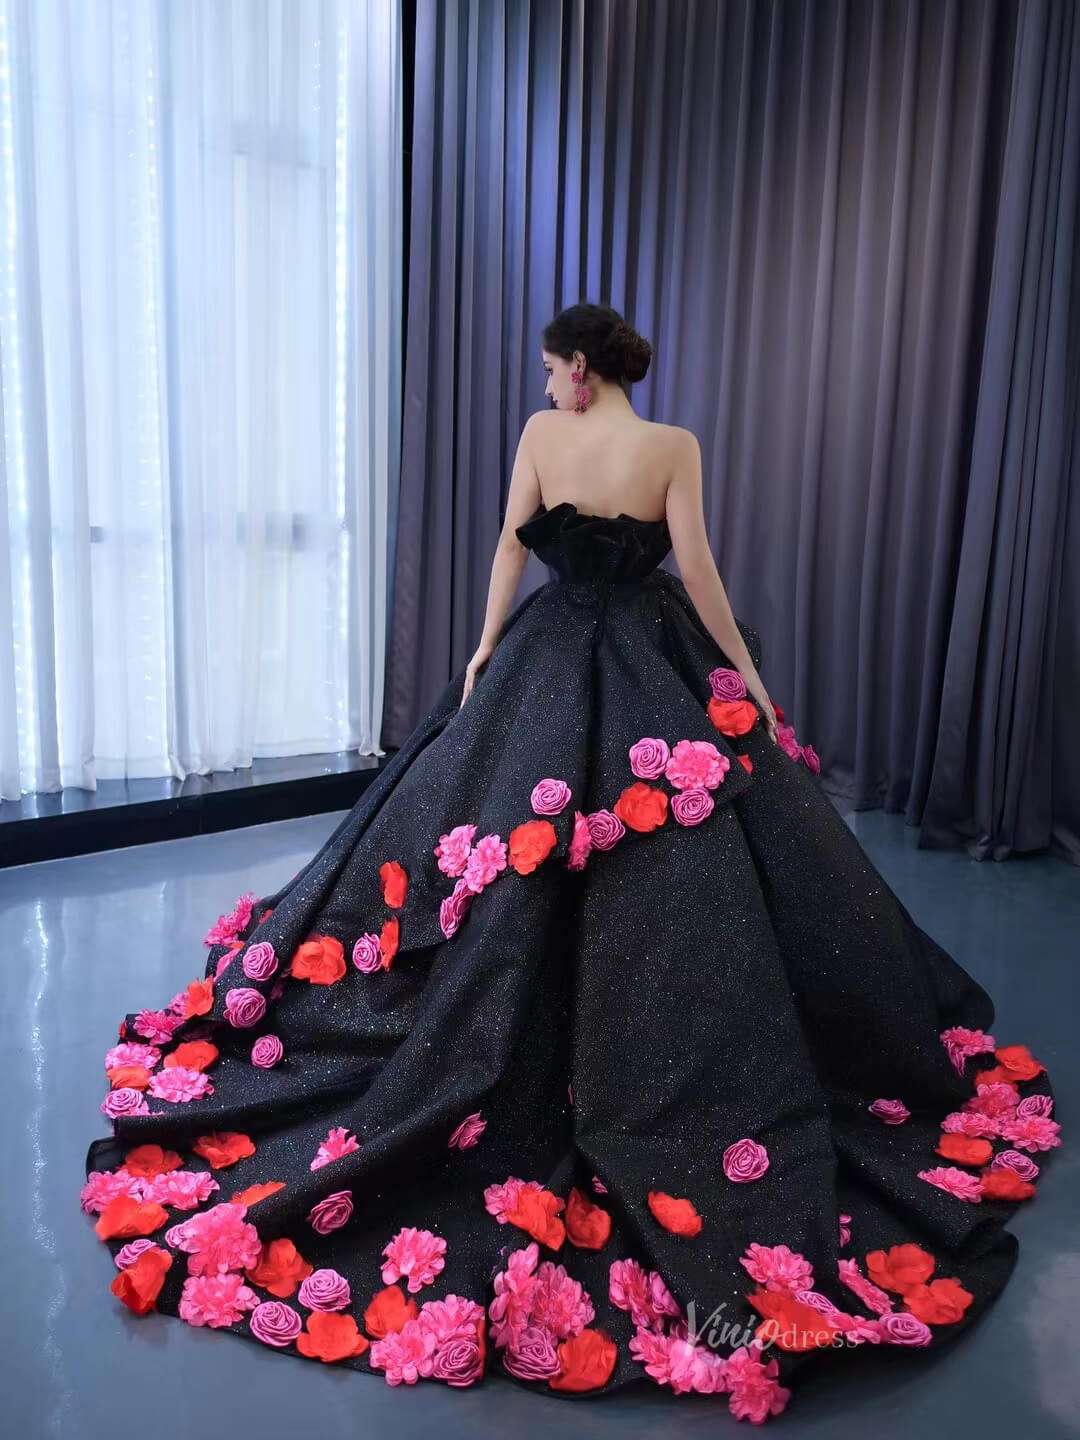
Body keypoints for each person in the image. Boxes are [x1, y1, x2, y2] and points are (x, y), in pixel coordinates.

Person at [83, 303, 1060, 1423]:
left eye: (553, 369)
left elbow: (514, 545)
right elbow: (700, 573)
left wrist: (484, 648)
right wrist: (745, 678)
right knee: (671, 843)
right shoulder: (673, 446)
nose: (547, 385)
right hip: (652, 657)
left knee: (514, 842)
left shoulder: (545, 438)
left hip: (550, 657)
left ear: (583, 370)